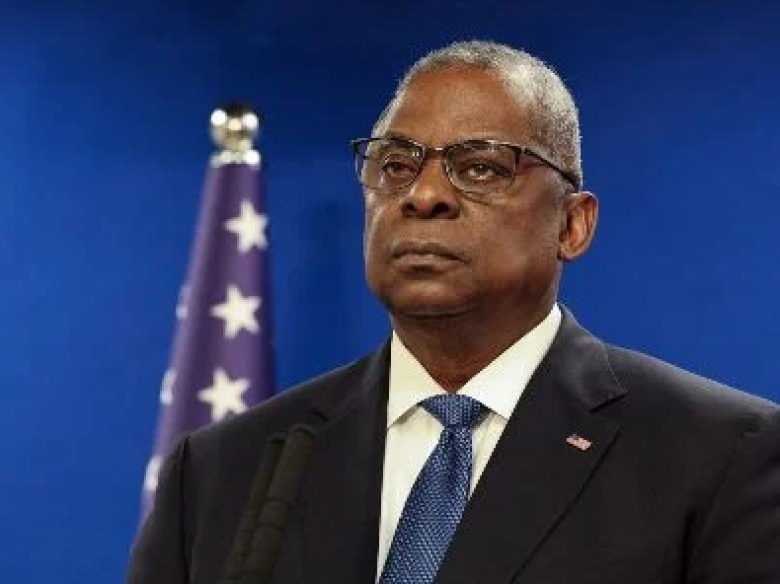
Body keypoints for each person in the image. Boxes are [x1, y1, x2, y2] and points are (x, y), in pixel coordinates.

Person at [126, 40, 780, 584]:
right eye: (395, 165)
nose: (424, 195)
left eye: (482, 167)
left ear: (572, 225)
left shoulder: (719, 454)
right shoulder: (219, 471)